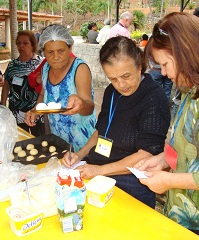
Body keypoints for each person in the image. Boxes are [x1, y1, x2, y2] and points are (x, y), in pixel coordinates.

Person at [135, 12, 199, 239]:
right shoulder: (193, 87)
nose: (163, 73)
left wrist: (168, 180)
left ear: (185, 53)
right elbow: (191, 149)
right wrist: (162, 161)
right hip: (181, 211)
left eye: (165, 64)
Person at [61, 36, 171, 208]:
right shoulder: (111, 92)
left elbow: (147, 154)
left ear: (140, 66)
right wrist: (79, 155)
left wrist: (98, 171)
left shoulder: (154, 98)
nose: (121, 84)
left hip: (132, 185)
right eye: (113, 78)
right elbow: (100, 131)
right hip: (99, 177)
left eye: (126, 76)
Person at [25, 24, 97, 152]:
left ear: (70, 48)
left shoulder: (79, 69)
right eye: (50, 52)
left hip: (83, 143)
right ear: (43, 51)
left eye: (61, 51)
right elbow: (43, 94)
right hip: (59, 140)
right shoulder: (46, 68)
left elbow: (89, 107)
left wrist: (81, 105)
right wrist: (35, 111)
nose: (56, 57)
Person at [1, 30, 45, 136]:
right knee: (20, 142)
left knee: (39, 143)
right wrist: (2, 106)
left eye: (25, 43)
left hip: (36, 111)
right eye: (19, 43)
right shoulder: (12, 65)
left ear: (33, 45)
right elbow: (6, 85)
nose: (21, 46)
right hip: (16, 112)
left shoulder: (42, 63)